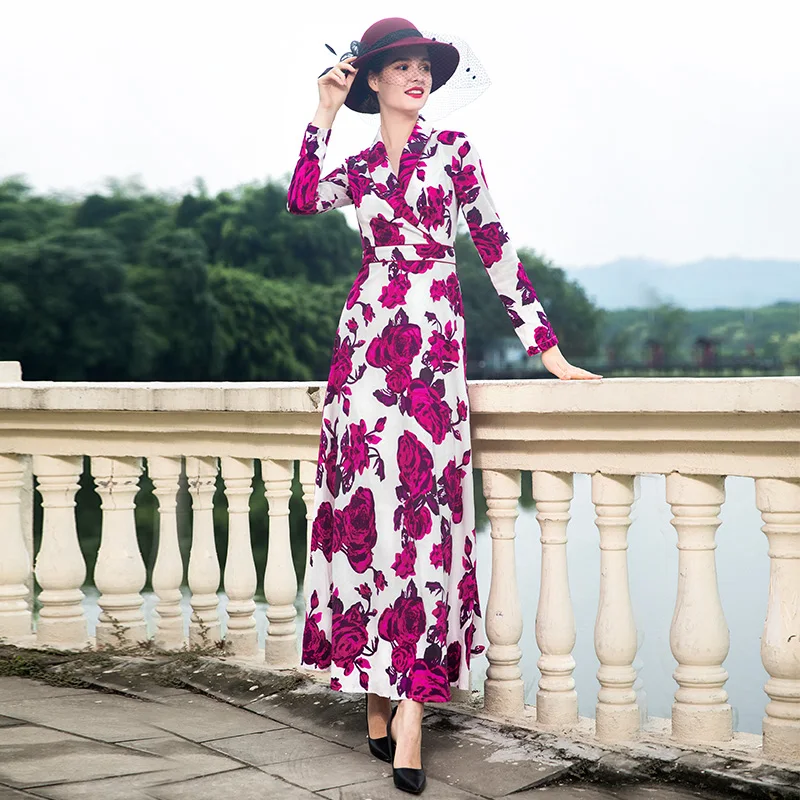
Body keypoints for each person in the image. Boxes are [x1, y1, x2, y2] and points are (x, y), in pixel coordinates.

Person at [287, 17, 602, 794]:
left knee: (424, 526)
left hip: (431, 351)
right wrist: (323, 111)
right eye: (401, 66)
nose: (418, 76)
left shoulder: (455, 152)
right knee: (366, 518)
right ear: (372, 80)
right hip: (364, 350)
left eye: (424, 65)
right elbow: (301, 199)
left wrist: (548, 350)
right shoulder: (358, 166)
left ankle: (411, 714)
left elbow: (495, 247)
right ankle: (374, 683)